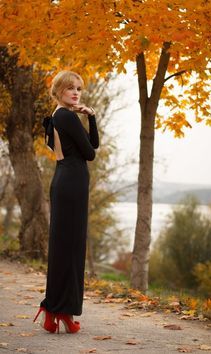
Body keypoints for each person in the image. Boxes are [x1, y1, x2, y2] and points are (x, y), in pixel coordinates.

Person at [33, 70, 99, 334]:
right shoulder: (67, 117)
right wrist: (86, 119)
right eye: (70, 88)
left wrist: (91, 117)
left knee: (63, 249)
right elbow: (90, 153)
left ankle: (54, 311)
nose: (76, 93)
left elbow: (91, 143)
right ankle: (63, 312)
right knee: (71, 251)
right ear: (59, 90)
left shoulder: (57, 117)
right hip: (72, 184)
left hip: (63, 181)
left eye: (79, 89)